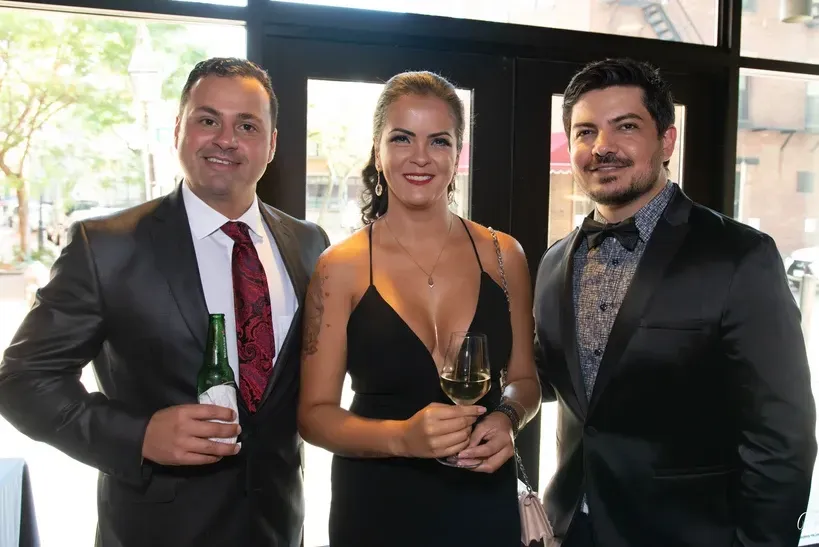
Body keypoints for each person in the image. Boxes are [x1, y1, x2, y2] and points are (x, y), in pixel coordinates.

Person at [0, 57, 329, 547]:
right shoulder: (106, 247)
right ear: (178, 129)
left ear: (272, 144)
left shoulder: (308, 244)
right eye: (208, 120)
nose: (226, 139)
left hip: (277, 528)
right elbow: (22, 381)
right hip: (155, 531)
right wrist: (139, 436)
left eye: (247, 126)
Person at [534, 57, 817, 547]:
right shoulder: (554, 261)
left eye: (625, 126)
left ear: (667, 141)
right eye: (585, 132)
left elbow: (781, 436)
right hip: (572, 528)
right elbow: (551, 379)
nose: (602, 147)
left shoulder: (740, 255)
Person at [297, 70, 541, 547]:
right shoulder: (339, 267)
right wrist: (401, 438)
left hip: (482, 498)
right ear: (377, 150)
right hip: (377, 504)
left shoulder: (503, 255)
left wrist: (507, 418)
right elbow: (313, 415)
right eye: (402, 138)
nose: (421, 157)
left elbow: (524, 380)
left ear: (458, 152)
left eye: (439, 141)